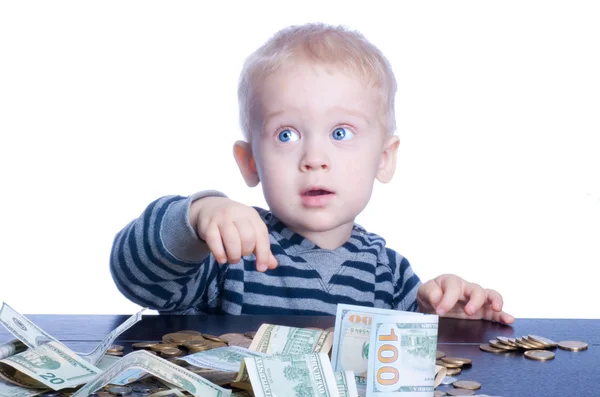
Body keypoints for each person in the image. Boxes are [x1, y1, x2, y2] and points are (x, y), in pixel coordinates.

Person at [110, 22, 514, 324]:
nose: (315, 157)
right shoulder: (233, 250)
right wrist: (197, 215)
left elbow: (417, 360)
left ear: (384, 159)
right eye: (286, 134)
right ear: (251, 162)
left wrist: (448, 317)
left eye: (341, 133)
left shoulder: (389, 276)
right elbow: (137, 279)